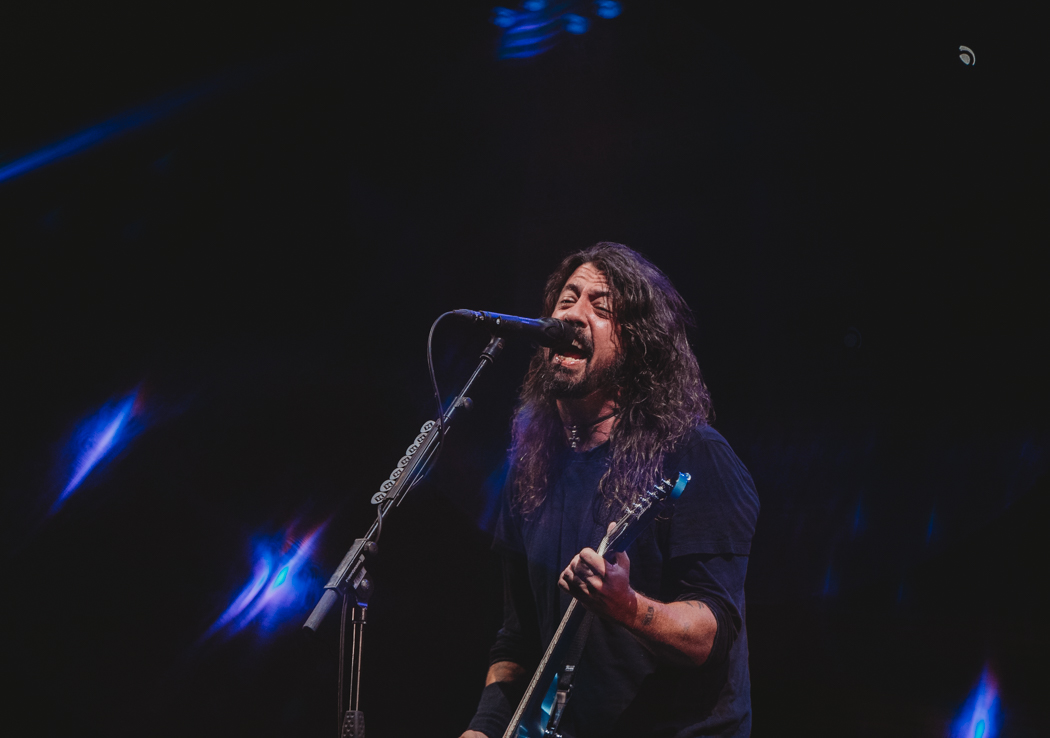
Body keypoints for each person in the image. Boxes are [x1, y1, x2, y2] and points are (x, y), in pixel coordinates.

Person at [459, 243, 759, 738]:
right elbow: (518, 639)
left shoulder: (694, 455)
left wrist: (627, 607)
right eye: (567, 300)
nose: (574, 315)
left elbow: (712, 632)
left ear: (637, 345)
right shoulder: (531, 468)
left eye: (601, 308)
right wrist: (484, 729)